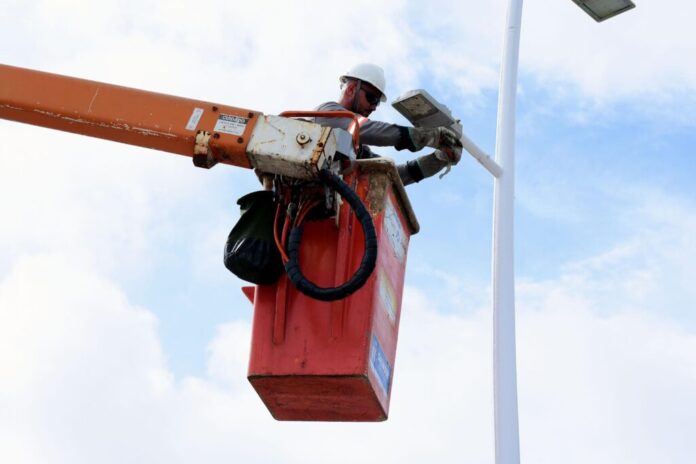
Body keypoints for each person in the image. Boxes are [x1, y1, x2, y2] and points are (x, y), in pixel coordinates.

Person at [313, 63, 463, 185]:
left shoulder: (356, 150)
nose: (374, 107)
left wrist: (437, 160)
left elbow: (388, 175)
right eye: (371, 98)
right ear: (351, 89)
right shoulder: (327, 113)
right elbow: (371, 130)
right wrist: (427, 137)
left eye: (377, 102)